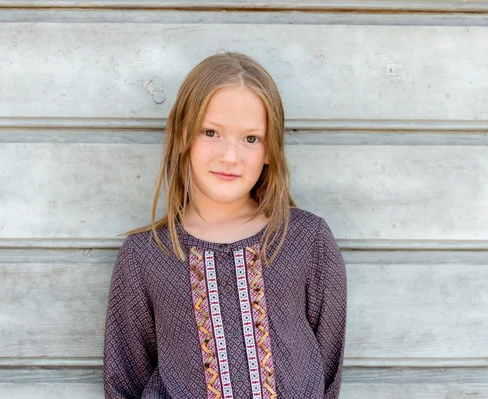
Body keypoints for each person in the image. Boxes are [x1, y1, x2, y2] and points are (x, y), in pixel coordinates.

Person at [103, 51, 347, 399]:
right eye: (211, 132)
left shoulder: (307, 241)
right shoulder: (146, 256)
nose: (229, 156)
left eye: (251, 138)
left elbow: (328, 372)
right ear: (181, 131)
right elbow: (123, 382)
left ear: (270, 149)